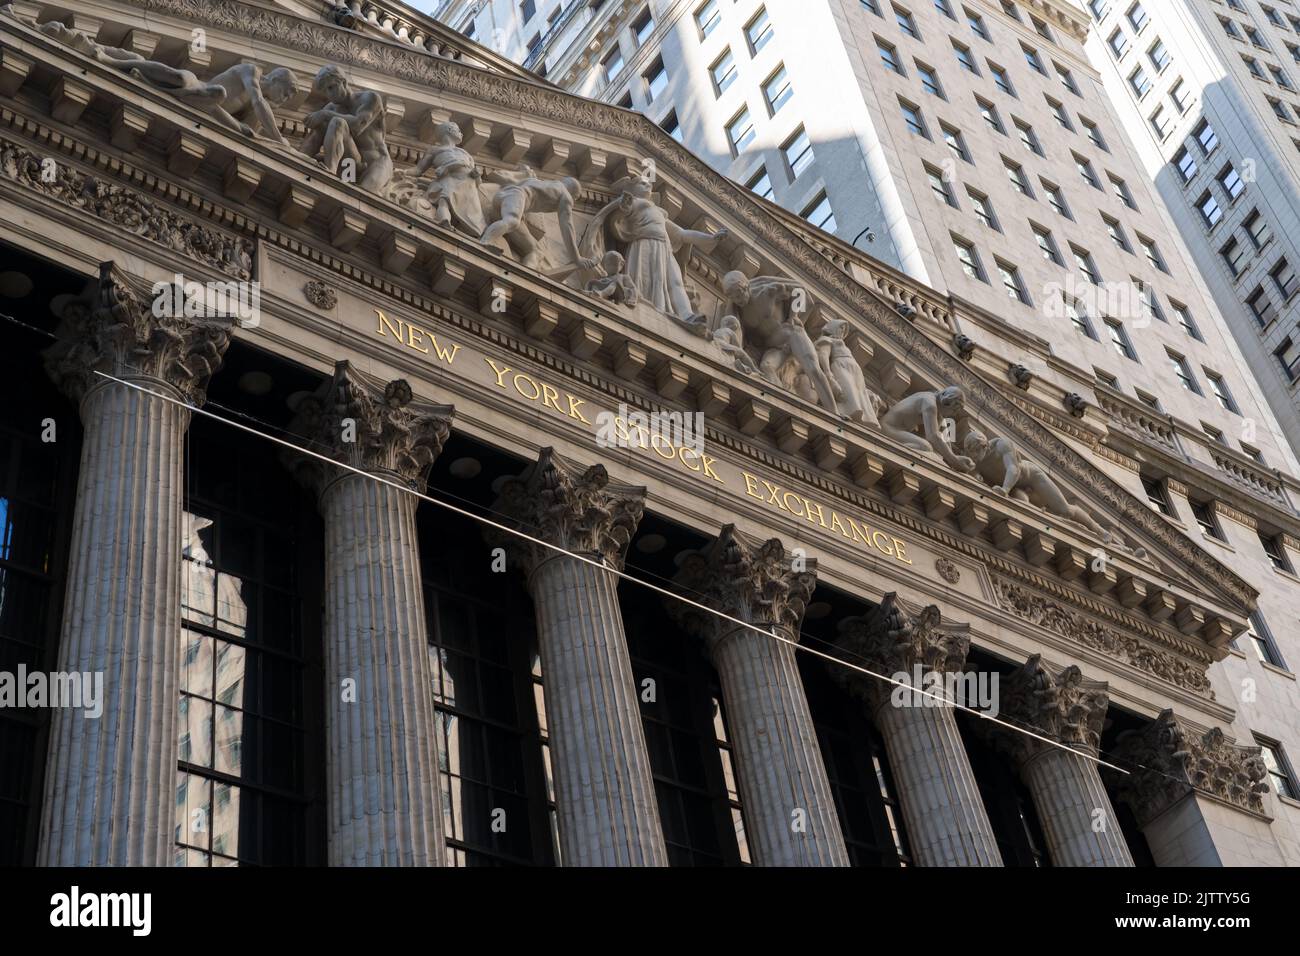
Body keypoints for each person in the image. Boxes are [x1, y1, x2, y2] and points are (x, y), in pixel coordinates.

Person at [582, 166, 727, 334]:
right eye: (642, 183)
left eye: (648, 183)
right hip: (645, 245)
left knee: (676, 282)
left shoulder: (659, 212)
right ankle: (646, 308)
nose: (648, 185)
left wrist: (710, 238)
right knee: (645, 280)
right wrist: (622, 207)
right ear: (632, 189)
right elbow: (616, 222)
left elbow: (682, 234)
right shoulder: (634, 203)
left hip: (664, 249)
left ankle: (687, 315)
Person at [300, 65, 393, 194]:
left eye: (332, 87)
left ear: (343, 82)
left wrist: (325, 115)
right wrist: (297, 160)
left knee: (364, 200)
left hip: (376, 163)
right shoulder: (330, 109)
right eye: (326, 91)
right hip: (350, 166)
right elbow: (312, 141)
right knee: (336, 123)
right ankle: (330, 171)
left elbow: (357, 126)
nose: (329, 94)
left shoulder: (370, 99)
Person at [480, 165, 593, 271]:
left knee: (536, 251)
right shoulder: (566, 196)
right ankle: (485, 242)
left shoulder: (538, 182)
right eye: (576, 198)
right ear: (573, 193)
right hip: (515, 198)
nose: (573, 202)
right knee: (512, 221)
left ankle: (523, 274)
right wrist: (577, 258)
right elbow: (567, 226)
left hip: (501, 198)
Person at [413, 121, 485, 235]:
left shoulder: (465, 153)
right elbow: (418, 170)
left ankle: (478, 233)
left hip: (467, 185)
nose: (461, 134)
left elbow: (476, 179)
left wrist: (476, 175)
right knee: (444, 200)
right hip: (448, 179)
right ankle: (444, 221)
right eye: (459, 131)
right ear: (450, 131)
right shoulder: (435, 150)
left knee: (474, 216)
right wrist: (401, 172)